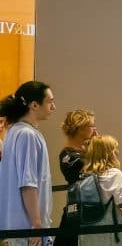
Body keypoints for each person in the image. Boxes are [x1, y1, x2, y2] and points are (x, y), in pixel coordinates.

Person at [0, 81, 56, 246]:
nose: (53, 107)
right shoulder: (27, 134)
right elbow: (28, 183)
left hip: (19, 227)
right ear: (34, 105)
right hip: (28, 229)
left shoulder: (14, 131)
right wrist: (36, 224)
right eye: (50, 102)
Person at [79, 135, 122, 246]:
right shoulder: (114, 174)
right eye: (114, 149)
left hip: (86, 232)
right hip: (109, 231)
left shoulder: (84, 176)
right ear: (108, 153)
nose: (117, 152)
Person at [54, 109, 98, 246]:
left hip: (89, 211)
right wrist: (99, 148)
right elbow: (99, 171)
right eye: (92, 125)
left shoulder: (83, 151)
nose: (95, 129)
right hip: (78, 213)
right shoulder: (70, 157)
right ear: (80, 128)